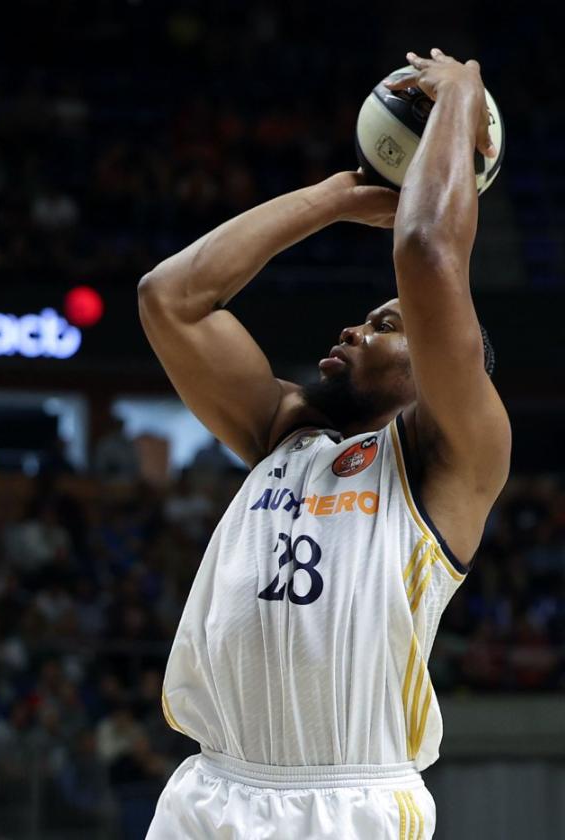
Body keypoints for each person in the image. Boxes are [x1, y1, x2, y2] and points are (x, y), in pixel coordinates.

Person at [137, 51, 508, 839]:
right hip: (208, 790)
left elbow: (430, 257)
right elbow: (171, 299)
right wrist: (331, 200)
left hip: (348, 804)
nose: (356, 328)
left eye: (387, 324)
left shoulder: (447, 460)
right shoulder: (288, 431)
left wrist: (462, 94)